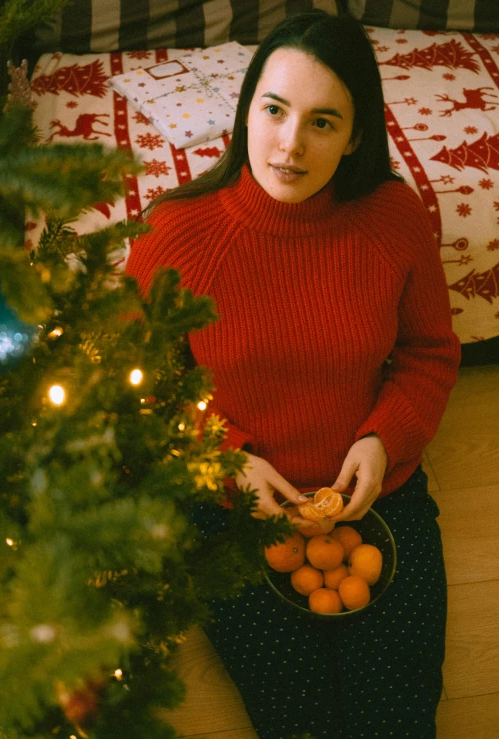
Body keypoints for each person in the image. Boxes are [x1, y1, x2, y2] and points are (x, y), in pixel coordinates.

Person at [126, 10, 460, 739]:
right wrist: (227, 458)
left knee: (397, 714)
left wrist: (383, 438)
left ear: (356, 137)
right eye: (274, 110)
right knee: (295, 713)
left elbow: (431, 352)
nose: (289, 144)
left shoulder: (395, 218)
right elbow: (140, 391)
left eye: (323, 122)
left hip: (381, 497)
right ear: (245, 109)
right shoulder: (172, 238)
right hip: (228, 509)